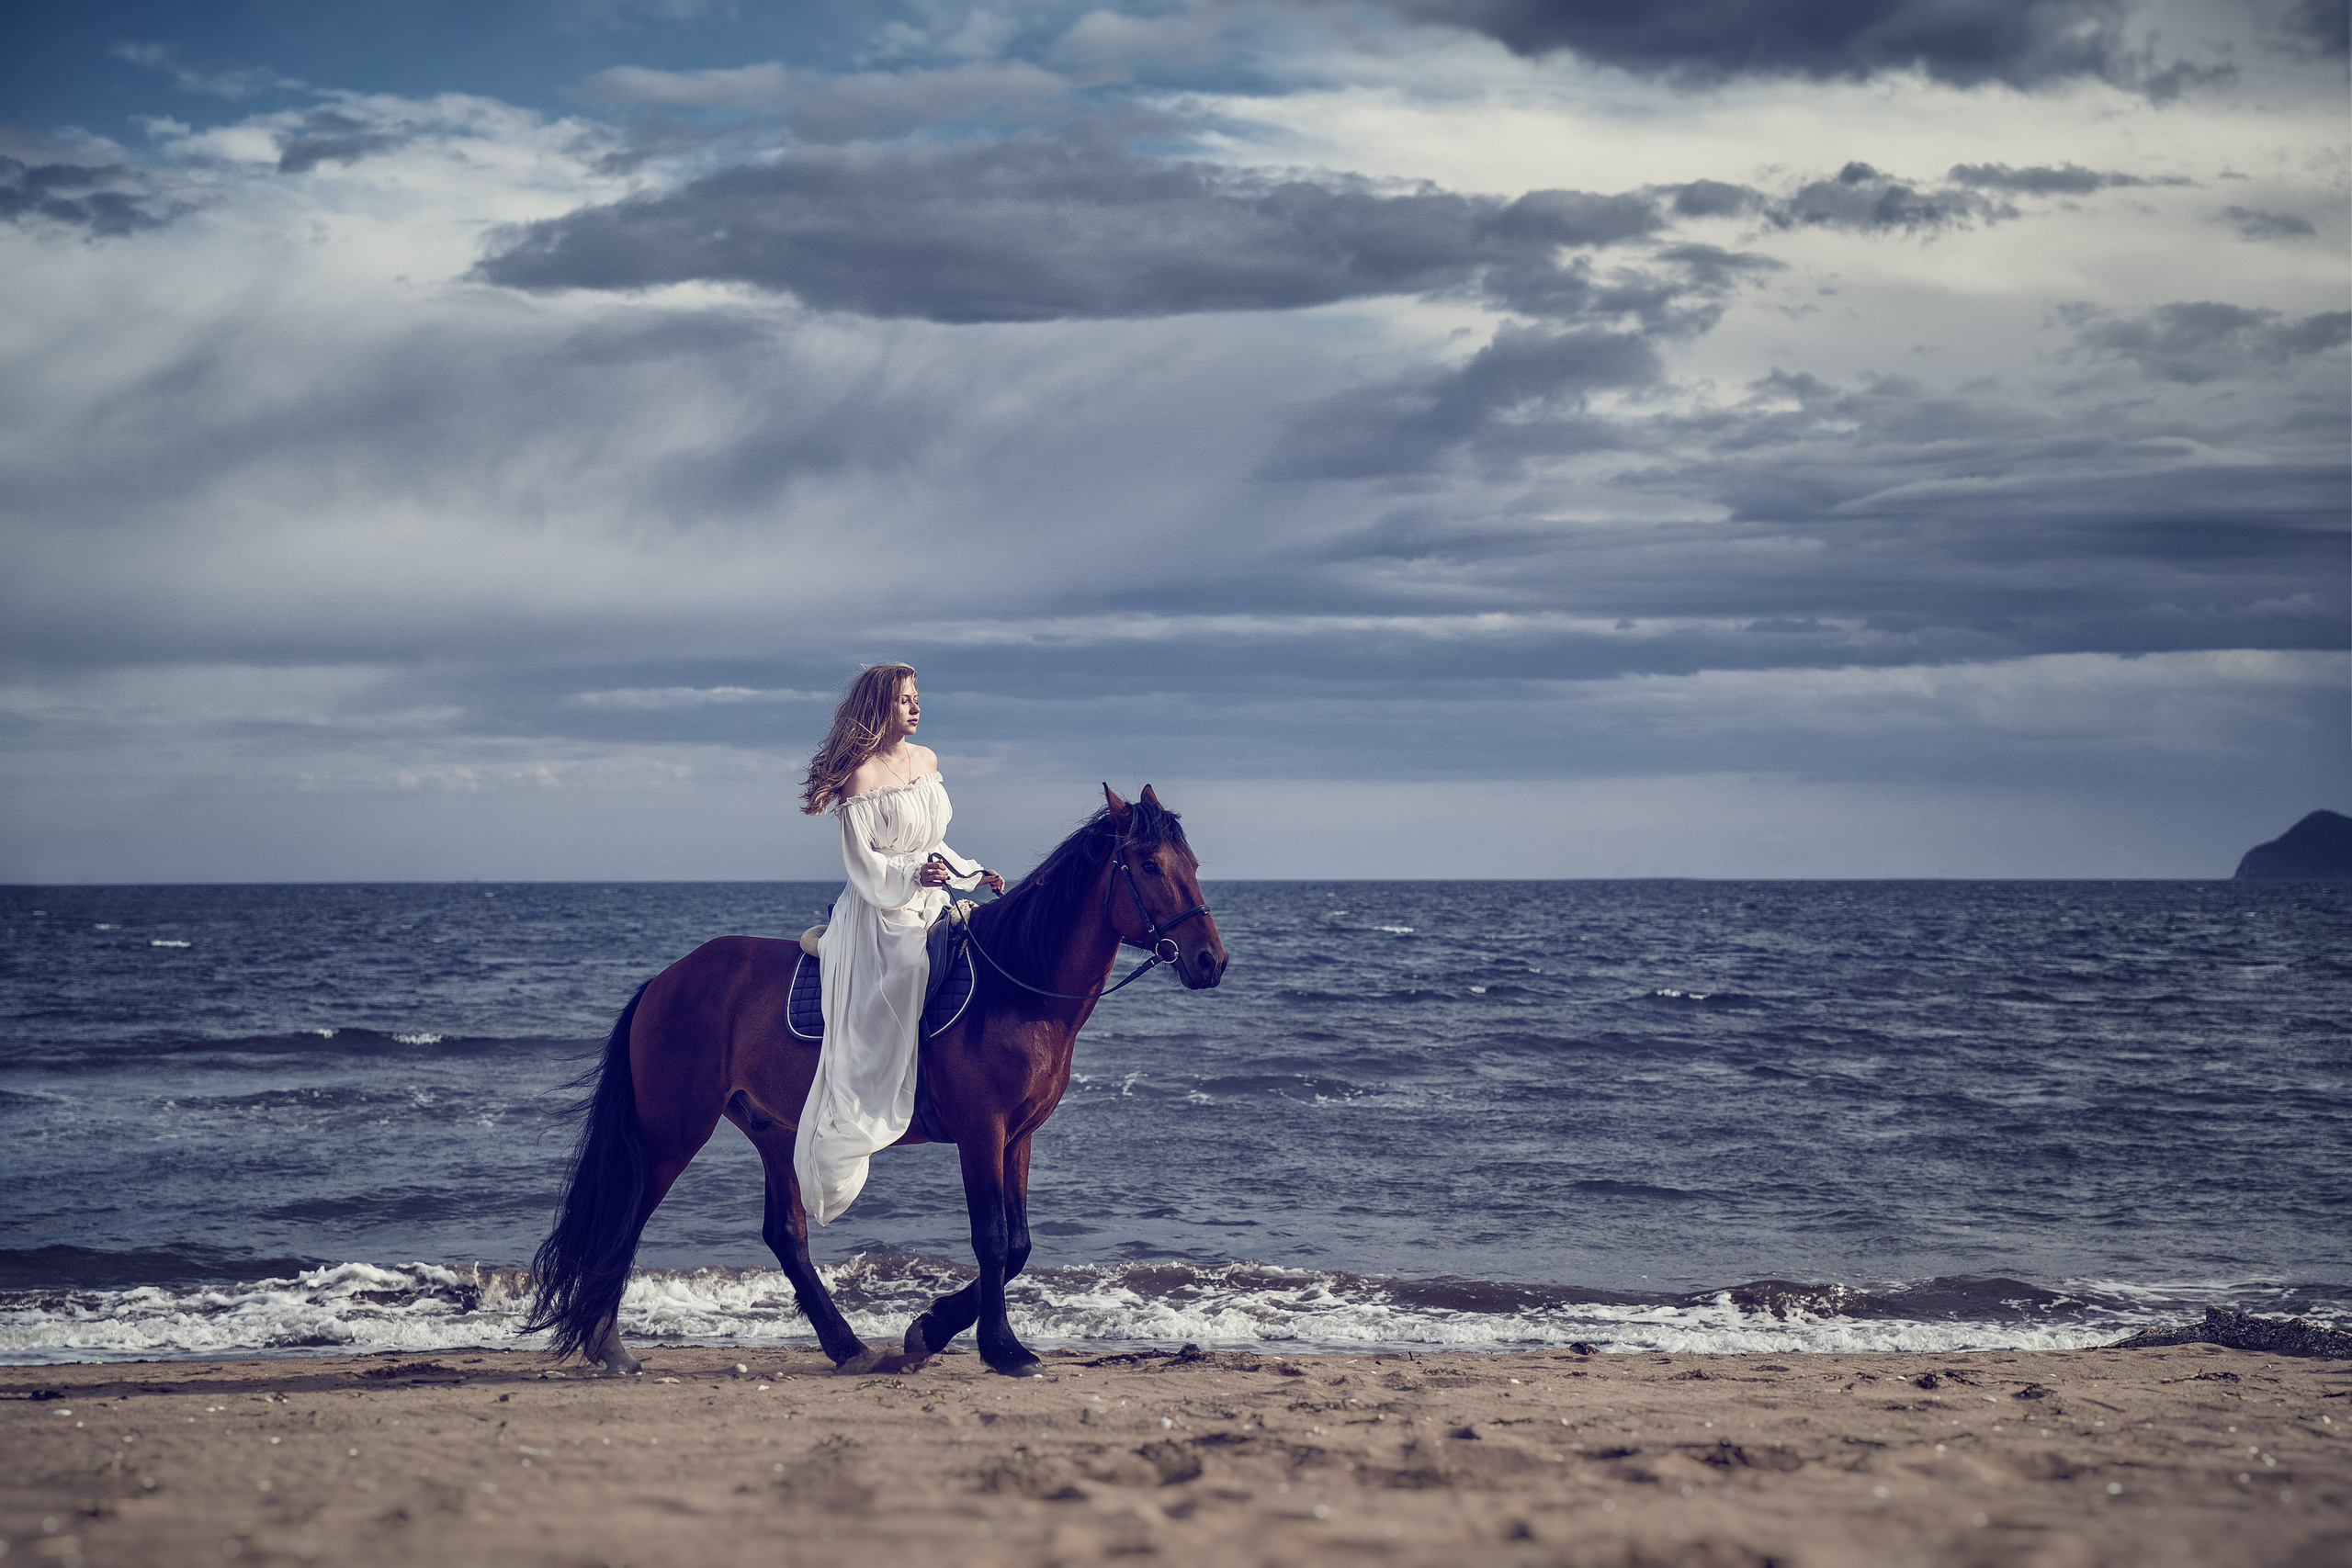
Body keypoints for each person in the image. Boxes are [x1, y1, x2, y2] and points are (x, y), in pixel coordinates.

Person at [794, 663, 1004, 1224]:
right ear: (878, 709)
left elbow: (932, 841)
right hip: (881, 906)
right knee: (908, 965)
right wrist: (914, 881)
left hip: (934, 891)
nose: (916, 708)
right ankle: (881, 1084)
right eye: (904, 701)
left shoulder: (928, 761)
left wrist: (969, 870)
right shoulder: (859, 778)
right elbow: (866, 866)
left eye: (917, 698)